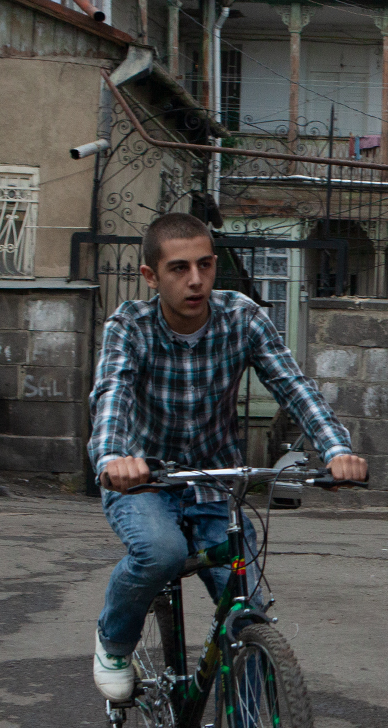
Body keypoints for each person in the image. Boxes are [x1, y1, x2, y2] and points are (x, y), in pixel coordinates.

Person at [87, 212, 366, 701]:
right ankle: (114, 641)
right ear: (151, 276)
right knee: (162, 553)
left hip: (218, 483)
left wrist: (335, 448)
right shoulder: (129, 326)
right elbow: (112, 394)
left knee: (248, 613)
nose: (195, 280)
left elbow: (292, 386)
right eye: (178, 269)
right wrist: (114, 457)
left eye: (205, 265)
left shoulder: (242, 316)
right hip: (142, 482)